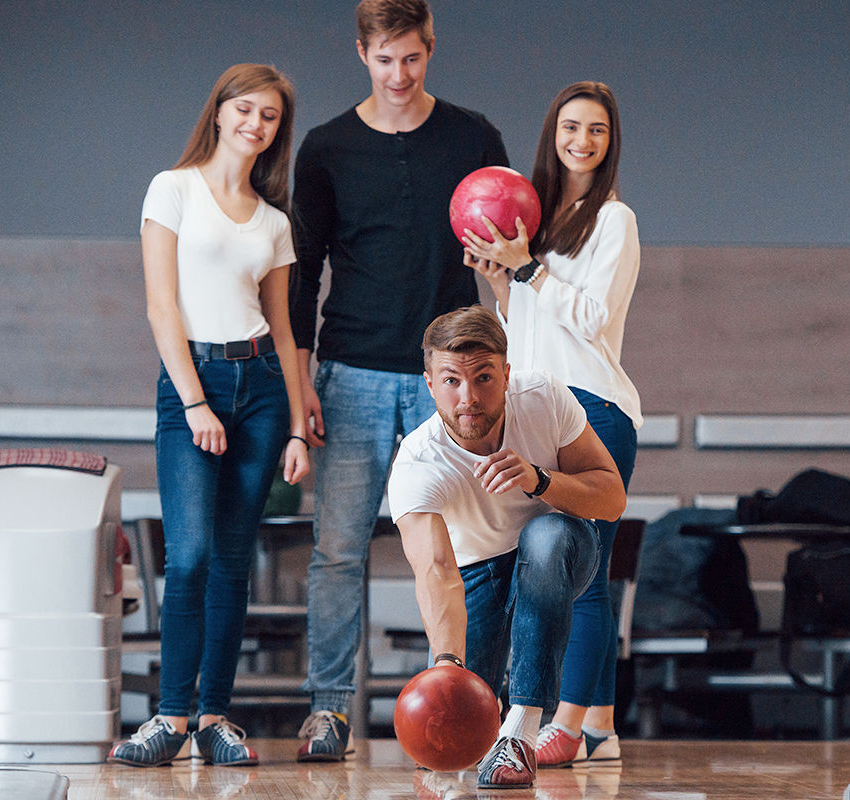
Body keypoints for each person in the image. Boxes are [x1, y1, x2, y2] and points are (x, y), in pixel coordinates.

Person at [289, 0, 508, 761]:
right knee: (339, 550)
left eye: (411, 58)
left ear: (430, 49)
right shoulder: (326, 147)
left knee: (469, 545)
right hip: (349, 371)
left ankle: (476, 706)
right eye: (385, 60)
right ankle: (328, 712)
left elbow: (504, 248)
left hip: (448, 379)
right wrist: (302, 383)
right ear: (362, 53)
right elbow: (303, 271)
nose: (398, 74)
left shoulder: (473, 137)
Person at [108, 64, 310, 768]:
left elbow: (283, 330)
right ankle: (170, 718)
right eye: (245, 109)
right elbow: (161, 305)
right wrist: (195, 400)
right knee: (189, 556)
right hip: (191, 381)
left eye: (270, 116)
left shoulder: (275, 222)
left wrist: (297, 427)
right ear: (219, 112)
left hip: (262, 388)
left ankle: (215, 718)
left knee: (231, 561)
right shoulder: (172, 188)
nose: (256, 124)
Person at [458, 81, 642, 767]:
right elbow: (521, 328)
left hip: (594, 406)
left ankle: (566, 725)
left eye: (596, 129)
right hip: (536, 402)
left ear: (609, 141)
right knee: (562, 568)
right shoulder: (531, 217)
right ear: (552, 133)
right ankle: (601, 728)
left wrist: (528, 268)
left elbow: (592, 319)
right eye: (570, 127)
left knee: (583, 574)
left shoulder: (614, 220)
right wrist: (499, 278)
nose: (581, 141)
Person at [387, 306, 626, 789]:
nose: (469, 398)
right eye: (451, 381)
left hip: (560, 549)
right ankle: (488, 721)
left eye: (484, 377)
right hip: (477, 572)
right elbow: (437, 571)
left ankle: (521, 732)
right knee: (452, 742)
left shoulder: (543, 397)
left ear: (507, 373)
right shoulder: (418, 463)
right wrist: (448, 665)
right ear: (430, 383)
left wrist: (541, 480)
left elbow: (611, 498)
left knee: (545, 536)